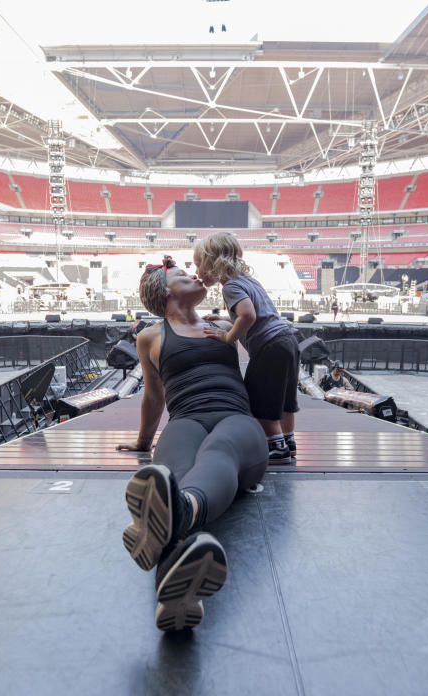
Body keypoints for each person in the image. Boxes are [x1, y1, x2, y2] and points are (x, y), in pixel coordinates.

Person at [117, 255, 267, 632]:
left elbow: (268, 344)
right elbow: (154, 398)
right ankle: (178, 587)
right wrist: (141, 443)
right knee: (172, 478)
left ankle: (180, 519)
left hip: (237, 420)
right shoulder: (149, 337)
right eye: (184, 274)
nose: (195, 275)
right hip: (185, 421)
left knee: (220, 453)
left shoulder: (224, 323)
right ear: (165, 290)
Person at [194, 231, 301, 464]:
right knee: (284, 399)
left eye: (199, 265)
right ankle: (289, 442)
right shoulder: (248, 281)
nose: (197, 272)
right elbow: (257, 313)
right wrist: (227, 318)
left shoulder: (229, 287)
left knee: (260, 397)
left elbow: (249, 315)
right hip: (287, 340)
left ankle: (276, 447)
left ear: (213, 263)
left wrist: (227, 336)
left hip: (269, 347)